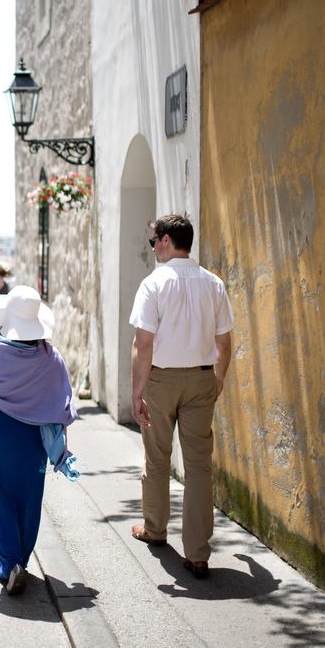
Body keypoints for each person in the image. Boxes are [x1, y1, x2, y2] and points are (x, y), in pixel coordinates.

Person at [129, 214, 234, 580]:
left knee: (157, 457)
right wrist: (217, 379)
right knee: (199, 466)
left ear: (167, 240)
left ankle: (155, 529)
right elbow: (224, 342)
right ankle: (198, 553)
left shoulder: (153, 284)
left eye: (153, 240)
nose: (152, 246)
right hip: (201, 379)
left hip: (160, 380)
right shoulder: (213, 283)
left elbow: (143, 344)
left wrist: (137, 391)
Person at [0, 285, 79, 596]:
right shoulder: (51, 357)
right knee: (30, 501)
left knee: (3, 497)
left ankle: (8, 564)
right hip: (36, 439)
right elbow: (62, 402)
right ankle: (21, 560)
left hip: (2, 435)